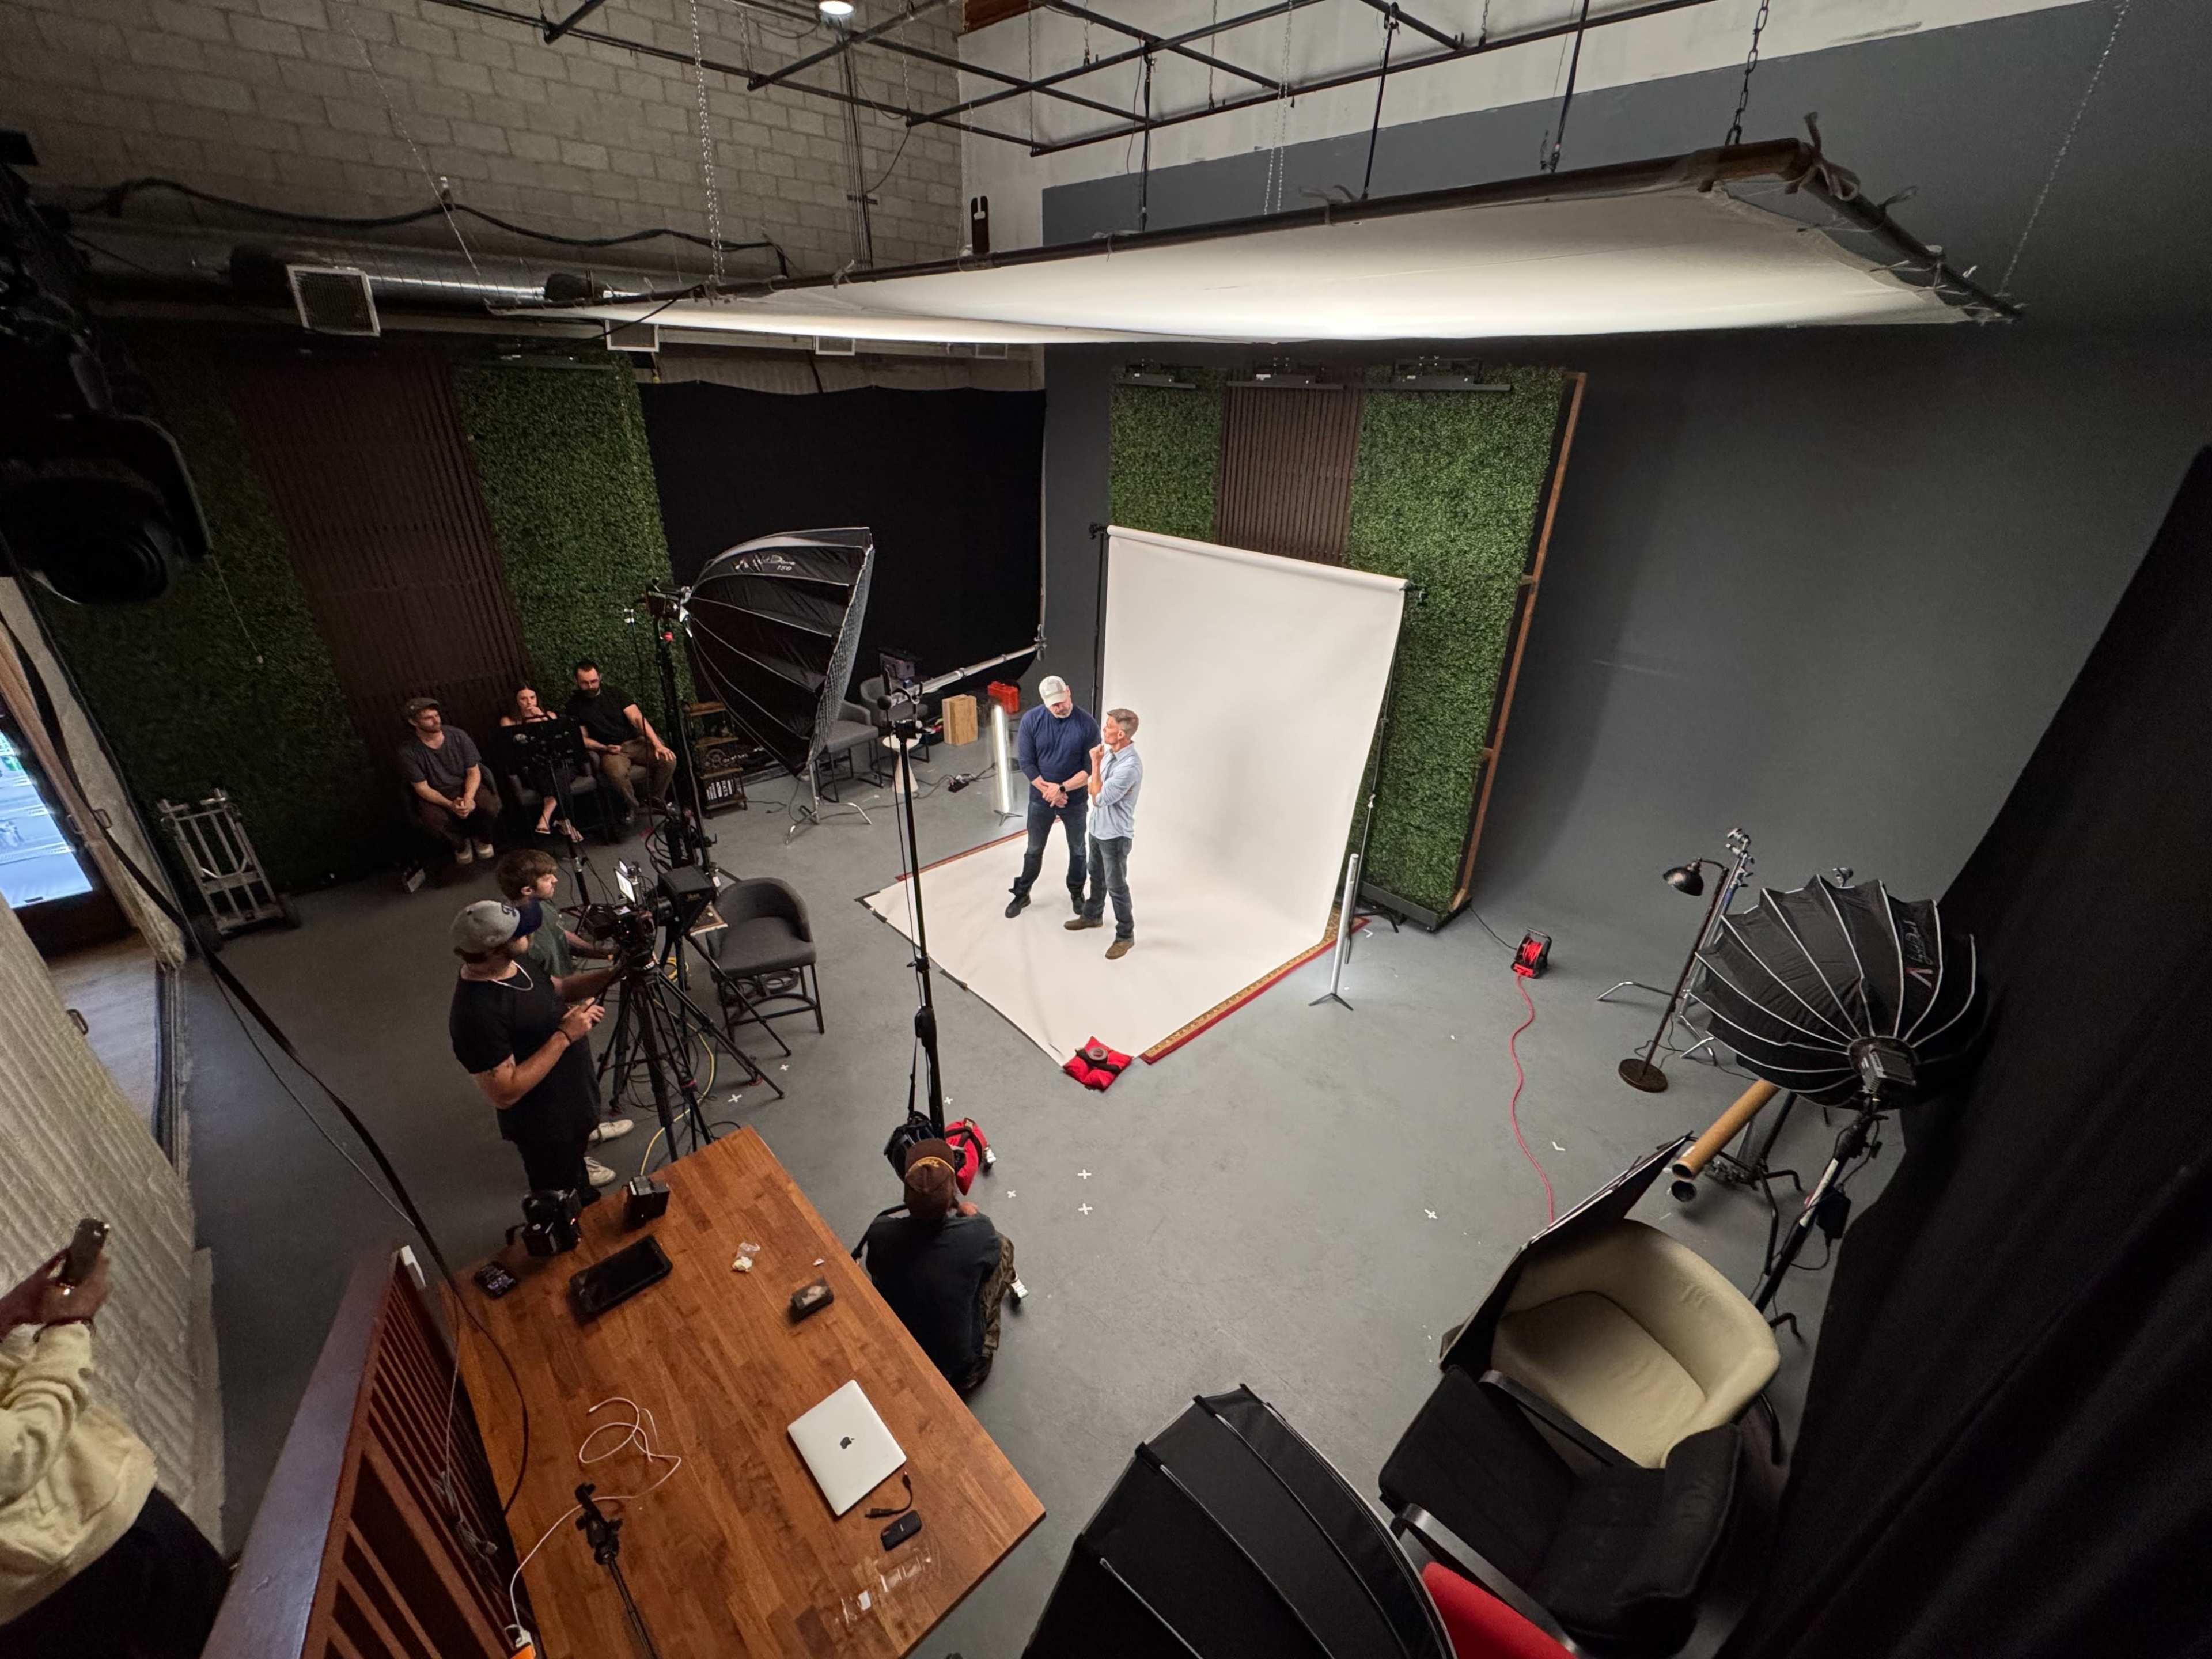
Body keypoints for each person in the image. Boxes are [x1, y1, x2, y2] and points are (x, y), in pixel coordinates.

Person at [0, 1245, 229, 1659]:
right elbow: (19, 1451)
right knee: (243, 1632)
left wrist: (9, 1313)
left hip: (63, 1561)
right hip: (76, 1558)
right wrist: (71, 1324)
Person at [449, 899, 622, 1196]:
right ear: (491, 950)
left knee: (582, 1185)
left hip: (572, 1102)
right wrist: (565, 1035)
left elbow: (561, 989)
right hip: (546, 1127)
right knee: (563, 1200)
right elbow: (504, 1093)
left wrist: (615, 973)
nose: (528, 933)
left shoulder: (514, 963)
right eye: (519, 933)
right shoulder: (476, 1015)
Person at [492, 851, 634, 1150]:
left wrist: (601, 952)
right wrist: (611, 975)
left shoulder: (540, 907)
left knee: (581, 1074)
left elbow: (561, 933)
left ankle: (588, 1127)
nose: (556, 880)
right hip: (551, 1015)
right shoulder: (521, 946)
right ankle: (577, 1156)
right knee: (563, 1087)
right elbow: (557, 988)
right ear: (527, 890)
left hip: (566, 1004)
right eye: (547, 877)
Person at [859, 1141, 1017, 1395]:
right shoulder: (978, 1233)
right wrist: (971, 1216)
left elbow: (876, 1266)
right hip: (964, 1370)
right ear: (951, 1197)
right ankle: (983, 1344)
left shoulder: (880, 1233)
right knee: (1002, 1246)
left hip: (903, 1361)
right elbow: (989, 1257)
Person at [1005, 675, 1101, 920]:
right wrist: (1049, 792)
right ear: (1045, 703)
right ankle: (1023, 892)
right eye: (1054, 705)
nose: (1060, 707)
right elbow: (1027, 762)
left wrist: (1062, 790)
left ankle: (1077, 892)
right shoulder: (1032, 720)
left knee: (1078, 850)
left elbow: (1088, 769)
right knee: (1034, 849)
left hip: (1074, 800)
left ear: (1068, 692)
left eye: (1062, 701)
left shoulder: (1087, 724)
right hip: (1041, 799)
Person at [1066, 707, 1143, 960]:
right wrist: (1096, 782)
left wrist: (1095, 763)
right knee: (1095, 875)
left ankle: (1125, 935)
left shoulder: (1130, 766)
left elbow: (1099, 797)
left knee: (1117, 885)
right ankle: (1092, 916)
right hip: (1098, 828)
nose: (1104, 730)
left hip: (1115, 836)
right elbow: (1094, 787)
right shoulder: (1112, 753)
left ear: (1121, 733)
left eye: (1108, 726)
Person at [563, 661, 675, 831]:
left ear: (600, 677)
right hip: (610, 750)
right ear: (576, 681)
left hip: (634, 743)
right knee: (616, 774)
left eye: (594, 681)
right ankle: (632, 806)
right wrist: (603, 748)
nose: (590, 686)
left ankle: (656, 799)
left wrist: (658, 745)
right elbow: (582, 739)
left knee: (668, 760)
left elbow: (638, 719)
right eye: (585, 683)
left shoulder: (615, 694)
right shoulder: (574, 706)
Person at [400, 697, 501, 866]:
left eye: (437, 715)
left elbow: (474, 771)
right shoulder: (408, 751)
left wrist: (468, 798)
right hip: (435, 793)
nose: (436, 720)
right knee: (433, 820)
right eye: (428, 718)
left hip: (464, 785)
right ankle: (460, 845)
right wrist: (450, 805)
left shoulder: (458, 735)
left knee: (490, 805)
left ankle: (483, 839)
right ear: (413, 722)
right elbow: (422, 788)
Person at [497, 686, 580, 843]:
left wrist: (541, 720)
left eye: (532, 698)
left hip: (560, 763)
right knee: (552, 776)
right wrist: (529, 723)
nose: (529, 702)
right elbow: (513, 750)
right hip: (533, 767)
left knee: (560, 772)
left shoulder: (549, 715)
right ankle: (565, 821)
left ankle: (547, 813)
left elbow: (561, 743)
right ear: (516, 701)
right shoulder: (508, 721)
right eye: (524, 699)